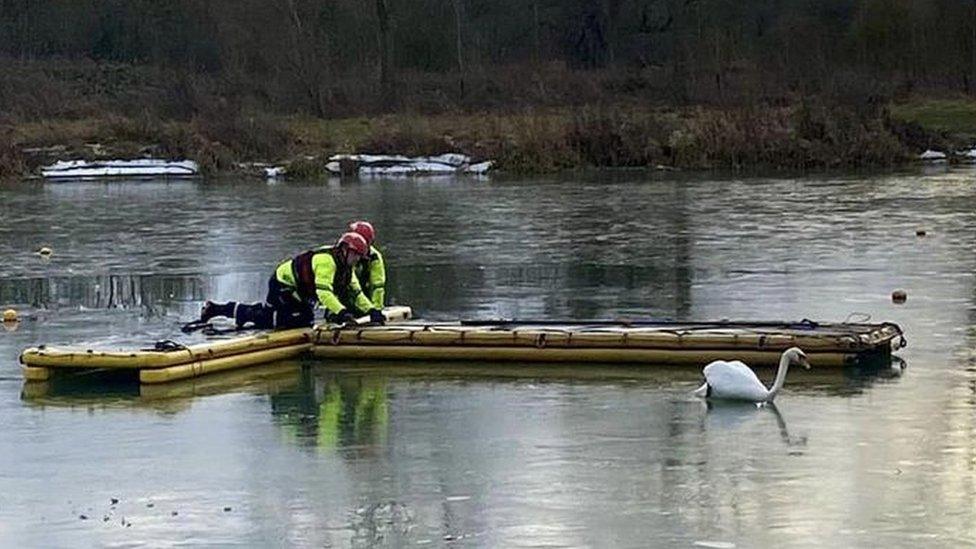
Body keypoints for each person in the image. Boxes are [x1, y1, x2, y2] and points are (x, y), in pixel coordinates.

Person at [199, 232, 385, 329]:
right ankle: (216, 308)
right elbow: (324, 292)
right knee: (270, 319)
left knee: (305, 320)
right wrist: (342, 312)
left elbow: (356, 292)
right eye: (356, 256)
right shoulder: (326, 262)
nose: (358, 260)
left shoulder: (347, 268)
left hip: (299, 292)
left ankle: (225, 309)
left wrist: (372, 310)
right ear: (346, 250)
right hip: (283, 284)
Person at [347, 220, 386, 310]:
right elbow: (352, 284)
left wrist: (376, 309)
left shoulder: (374, 257)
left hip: (364, 300)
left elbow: (378, 285)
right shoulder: (344, 256)